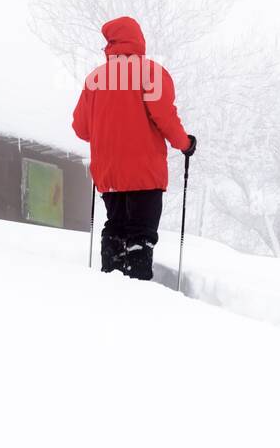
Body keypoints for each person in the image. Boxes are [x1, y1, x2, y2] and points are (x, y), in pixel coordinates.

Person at [72, 16, 197, 280]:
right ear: (138, 40)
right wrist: (185, 144)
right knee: (141, 233)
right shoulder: (150, 73)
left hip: (109, 176)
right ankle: (136, 290)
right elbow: (165, 118)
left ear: (110, 43)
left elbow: (81, 129)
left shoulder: (95, 80)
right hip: (144, 173)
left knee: (115, 227)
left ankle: (109, 279)